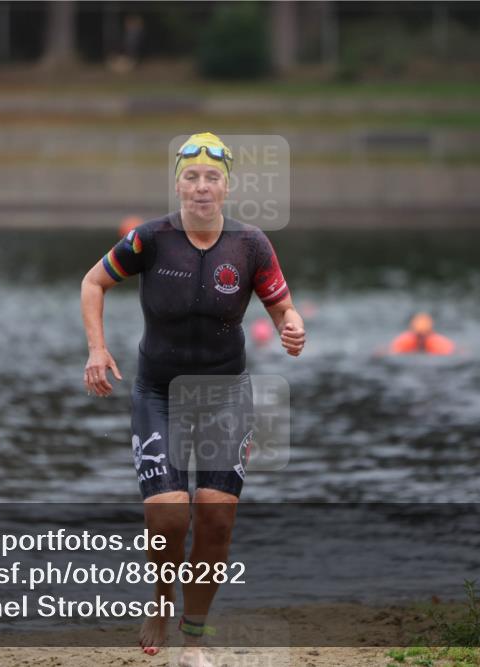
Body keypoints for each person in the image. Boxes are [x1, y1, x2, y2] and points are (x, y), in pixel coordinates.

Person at [80, 132, 305, 666]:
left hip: (226, 395)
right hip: (159, 392)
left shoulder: (251, 245)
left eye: (212, 178)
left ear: (227, 187)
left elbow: (283, 308)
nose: (201, 187)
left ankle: (194, 639)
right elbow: (93, 282)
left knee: (216, 520)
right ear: (178, 184)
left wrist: (292, 326)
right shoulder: (149, 240)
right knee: (169, 517)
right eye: (191, 177)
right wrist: (97, 349)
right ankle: (161, 601)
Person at [388, 312, 455, 355]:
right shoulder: (404, 340)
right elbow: (393, 352)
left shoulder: (439, 342)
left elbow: (450, 353)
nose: (421, 338)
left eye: (424, 334)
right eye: (419, 335)